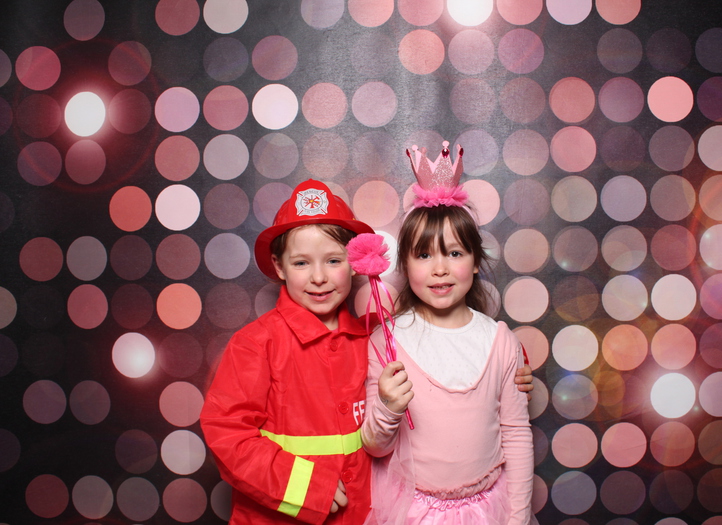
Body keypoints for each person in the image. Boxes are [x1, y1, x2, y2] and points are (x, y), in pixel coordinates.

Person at [200, 178, 535, 525]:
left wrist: (516, 368)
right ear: (279, 266)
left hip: (363, 515)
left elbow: (455, 345)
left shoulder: (374, 335)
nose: (319, 277)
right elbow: (227, 434)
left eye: (333, 260)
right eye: (301, 263)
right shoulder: (256, 344)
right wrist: (306, 488)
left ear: (355, 262)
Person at [362, 143, 535, 524]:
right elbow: (375, 447)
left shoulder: (499, 340)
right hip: (413, 512)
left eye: (455, 253)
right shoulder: (387, 343)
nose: (439, 269)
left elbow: (516, 435)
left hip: (487, 510)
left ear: (475, 262)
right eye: (424, 255)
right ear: (405, 264)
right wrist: (388, 406)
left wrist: (519, 517)